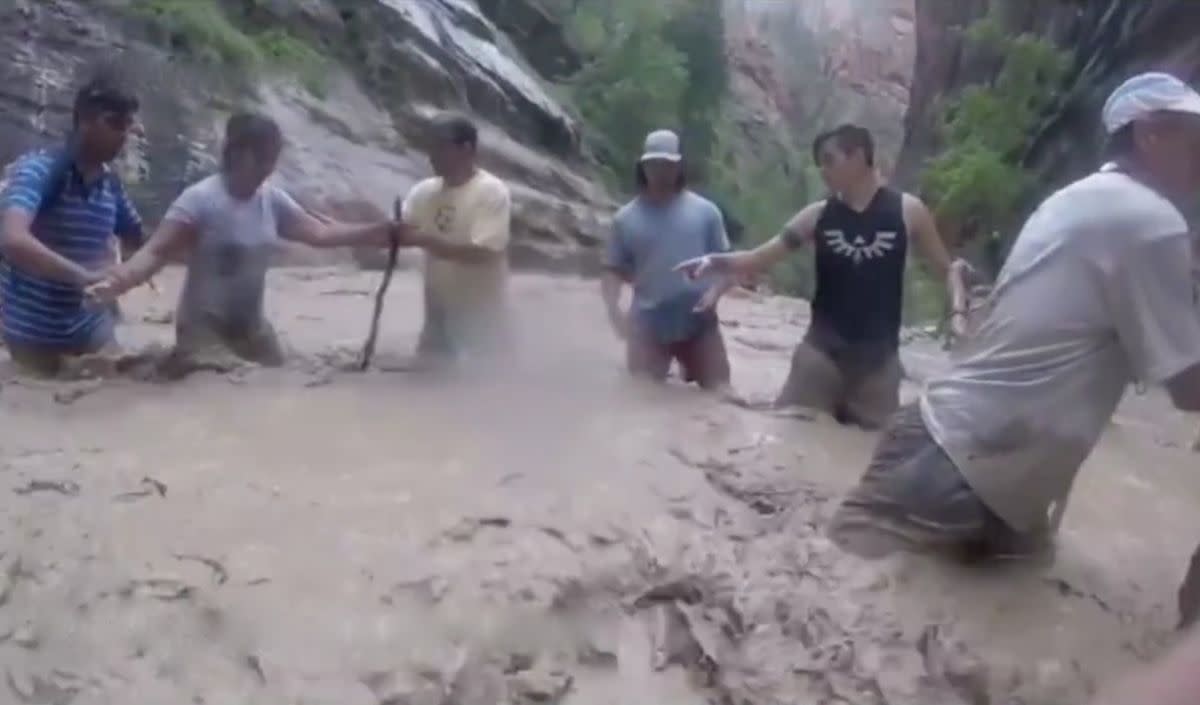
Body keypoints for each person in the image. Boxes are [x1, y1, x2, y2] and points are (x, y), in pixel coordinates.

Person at [823, 72, 1200, 561]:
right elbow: (1188, 388)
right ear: (1150, 135)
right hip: (965, 470)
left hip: (954, 449)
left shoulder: (1075, 199)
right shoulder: (1152, 224)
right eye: (1194, 139)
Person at [676, 124, 966, 428]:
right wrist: (712, 262)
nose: (822, 171)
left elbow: (947, 270)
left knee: (874, 448)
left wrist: (959, 315)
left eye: (829, 160)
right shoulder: (816, 217)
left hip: (878, 365)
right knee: (791, 435)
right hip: (820, 355)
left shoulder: (909, 212)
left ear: (858, 156)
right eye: (819, 163)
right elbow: (759, 257)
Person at [85, 112, 401, 371]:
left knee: (282, 382)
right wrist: (118, 282)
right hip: (204, 333)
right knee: (232, 387)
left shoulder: (272, 200)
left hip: (253, 331)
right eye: (262, 157)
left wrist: (379, 232)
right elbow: (156, 252)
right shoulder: (200, 200)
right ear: (237, 154)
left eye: (272, 158)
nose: (269, 167)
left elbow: (320, 233)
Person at [0, 73, 145, 375]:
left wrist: (123, 275)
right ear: (85, 121)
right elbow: (13, 240)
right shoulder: (37, 170)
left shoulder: (111, 186)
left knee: (121, 382)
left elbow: (138, 239)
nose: (123, 135)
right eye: (115, 123)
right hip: (33, 332)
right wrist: (85, 276)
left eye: (127, 125)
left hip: (93, 327)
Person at [601, 129, 733, 392]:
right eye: (654, 165)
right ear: (643, 167)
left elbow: (728, 265)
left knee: (722, 394)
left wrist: (715, 293)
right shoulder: (625, 220)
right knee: (640, 394)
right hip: (648, 327)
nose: (660, 172)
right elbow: (613, 271)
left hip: (699, 323)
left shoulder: (706, 213)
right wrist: (614, 312)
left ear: (679, 167)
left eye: (667, 165)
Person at [395, 112, 513, 367]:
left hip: (482, 315)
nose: (432, 155)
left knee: (485, 381)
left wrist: (426, 241)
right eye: (430, 147)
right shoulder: (424, 191)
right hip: (437, 315)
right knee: (428, 378)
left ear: (466, 149)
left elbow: (485, 252)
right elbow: (399, 232)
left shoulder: (491, 192)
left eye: (441, 147)